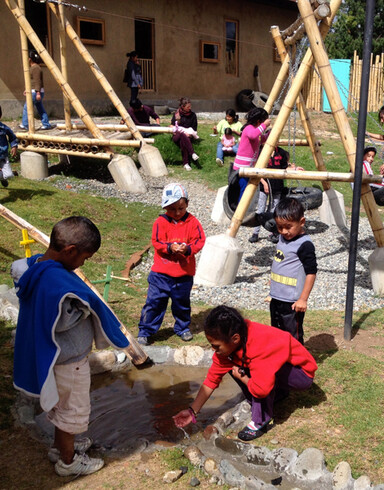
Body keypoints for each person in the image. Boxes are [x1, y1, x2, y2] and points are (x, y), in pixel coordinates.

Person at [11, 216, 130, 477]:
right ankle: (68, 461)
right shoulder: (55, 283)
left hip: (56, 360)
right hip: (69, 363)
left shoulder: (36, 268)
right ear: (70, 251)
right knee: (72, 413)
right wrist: (85, 310)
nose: (83, 264)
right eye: (84, 258)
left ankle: (59, 446)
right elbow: (59, 320)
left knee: (63, 407)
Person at [172, 305, 317, 441]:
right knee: (233, 365)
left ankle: (261, 421)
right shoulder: (234, 342)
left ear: (235, 339)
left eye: (216, 346)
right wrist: (192, 411)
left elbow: (261, 389)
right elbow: (212, 379)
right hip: (278, 369)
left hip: (301, 374)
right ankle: (277, 394)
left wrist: (244, 378)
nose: (212, 350)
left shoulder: (259, 346)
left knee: (248, 374)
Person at [137, 183, 206, 346]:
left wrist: (188, 249)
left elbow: (200, 240)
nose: (176, 213)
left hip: (183, 275)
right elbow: (156, 242)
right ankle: (145, 331)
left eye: (180, 208)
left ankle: (182, 328)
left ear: (187, 204)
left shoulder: (193, 222)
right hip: (161, 274)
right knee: (154, 303)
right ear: (166, 207)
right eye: (172, 209)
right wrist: (169, 247)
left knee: (182, 304)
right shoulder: (160, 222)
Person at [269, 197, 317, 343]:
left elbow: (311, 273)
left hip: (292, 302)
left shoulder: (305, 245)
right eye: (279, 227)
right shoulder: (283, 238)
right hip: (277, 298)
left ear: (301, 222)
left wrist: (303, 299)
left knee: (292, 336)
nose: (283, 231)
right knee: (276, 332)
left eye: (288, 227)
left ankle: (298, 364)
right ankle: (281, 360)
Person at [248, 146, 302, 244]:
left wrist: (294, 169)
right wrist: (264, 184)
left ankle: (272, 232)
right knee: (261, 209)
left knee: (273, 210)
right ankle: (255, 233)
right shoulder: (261, 151)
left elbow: (285, 168)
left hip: (277, 186)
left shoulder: (280, 152)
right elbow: (257, 169)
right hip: (264, 185)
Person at [232, 107, 270, 200]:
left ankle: (245, 209)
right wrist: (264, 125)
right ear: (258, 121)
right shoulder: (249, 128)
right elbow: (253, 135)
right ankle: (239, 211)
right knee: (244, 190)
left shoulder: (256, 131)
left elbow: (261, 139)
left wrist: (270, 133)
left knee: (248, 189)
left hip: (249, 167)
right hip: (242, 167)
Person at [20, 50, 55, 131]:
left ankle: (25, 124)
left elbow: (37, 81)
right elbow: (31, 82)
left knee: (27, 107)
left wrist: (38, 93)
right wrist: (27, 89)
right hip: (35, 91)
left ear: (29, 59)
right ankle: (46, 124)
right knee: (40, 108)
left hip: (35, 92)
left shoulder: (35, 68)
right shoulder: (34, 67)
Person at [171, 97, 200, 171]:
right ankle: (192, 153)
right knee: (181, 134)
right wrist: (178, 121)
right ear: (183, 107)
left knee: (183, 141)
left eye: (190, 106)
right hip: (177, 135)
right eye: (188, 107)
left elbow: (194, 128)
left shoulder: (193, 115)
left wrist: (190, 135)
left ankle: (186, 163)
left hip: (188, 135)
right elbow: (171, 125)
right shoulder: (177, 114)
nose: (190, 108)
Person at [0, 105, 18, 187]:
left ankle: (2, 178)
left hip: (3, 156)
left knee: (9, 175)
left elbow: (12, 137)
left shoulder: (3, 128)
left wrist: (14, 146)